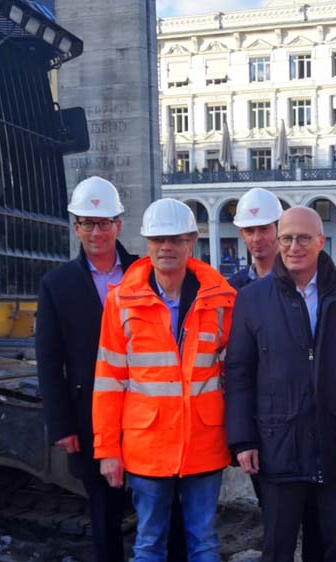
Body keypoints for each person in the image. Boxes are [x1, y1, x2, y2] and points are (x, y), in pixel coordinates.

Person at [224, 207, 336, 562]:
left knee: (335, 547)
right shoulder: (253, 299)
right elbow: (239, 373)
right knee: (278, 546)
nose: (294, 246)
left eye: (303, 238)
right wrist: (242, 440)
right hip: (278, 444)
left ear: (321, 241)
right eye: (286, 238)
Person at [92, 198, 236, 562]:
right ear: (147, 244)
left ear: (191, 242)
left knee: (203, 540)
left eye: (175, 239)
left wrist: (241, 438)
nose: (166, 247)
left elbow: (235, 378)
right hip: (148, 446)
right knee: (149, 542)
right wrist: (107, 449)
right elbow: (109, 379)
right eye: (158, 240)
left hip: (203, 442)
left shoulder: (222, 301)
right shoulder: (122, 302)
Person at [36, 177, 137, 562]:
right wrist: (61, 426)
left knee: (159, 510)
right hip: (89, 416)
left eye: (104, 222)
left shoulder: (143, 273)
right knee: (104, 514)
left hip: (147, 411)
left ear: (118, 225)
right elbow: (49, 360)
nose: (96, 232)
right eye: (87, 223)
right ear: (76, 227)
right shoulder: (56, 284)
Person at [228, 188, 282, 290]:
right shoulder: (233, 287)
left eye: (264, 229)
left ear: (279, 229)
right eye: (249, 231)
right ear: (242, 235)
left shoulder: (298, 281)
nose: (256, 238)